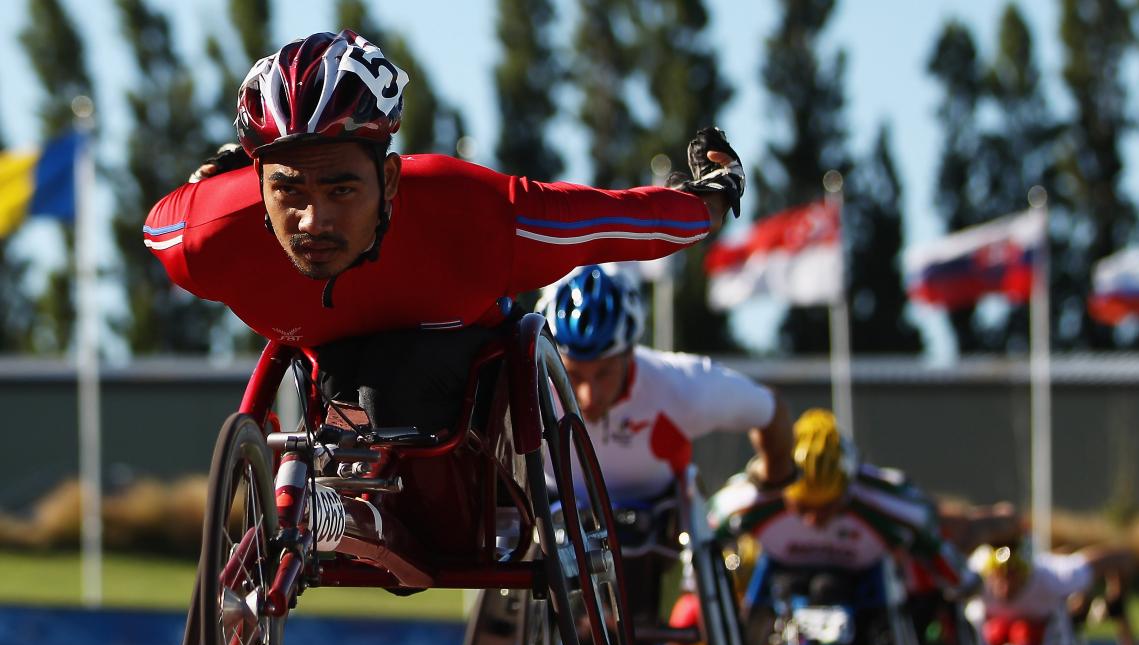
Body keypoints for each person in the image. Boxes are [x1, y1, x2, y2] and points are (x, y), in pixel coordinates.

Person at [144, 29, 746, 435]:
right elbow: (159, 223)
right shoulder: (210, 234)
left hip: (455, 384)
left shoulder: (470, 215)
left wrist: (710, 200)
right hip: (323, 369)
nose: (314, 221)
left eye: (342, 190)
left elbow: (612, 223)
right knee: (354, 379)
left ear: (390, 178)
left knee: (401, 381)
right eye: (288, 191)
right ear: (258, 180)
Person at [537, 262, 794, 645]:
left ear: (629, 353)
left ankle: (616, 622)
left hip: (651, 525)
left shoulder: (679, 386)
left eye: (604, 373)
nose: (587, 394)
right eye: (574, 373)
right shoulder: (528, 383)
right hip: (558, 513)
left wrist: (777, 478)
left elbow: (771, 411)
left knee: (633, 529)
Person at [706, 408, 977, 645]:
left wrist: (964, 580)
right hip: (784, 573)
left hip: (860, 580)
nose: (815, 521)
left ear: (849, 490)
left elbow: (933, 541)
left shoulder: (888, 500)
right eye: (803, 508)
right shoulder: (750, 497)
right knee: (747, 614)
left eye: (828, 507)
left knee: (889, 622)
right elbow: (704, 530)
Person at [974, 542, 1137, 645]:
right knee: (996, 631)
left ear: (1027, 572)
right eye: (999, 577)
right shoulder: (974, 582)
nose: (1005, 587)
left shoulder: (1052, 578)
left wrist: (1118, 616)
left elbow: (1121, 558)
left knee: (1026, 632)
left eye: (1013, 576)